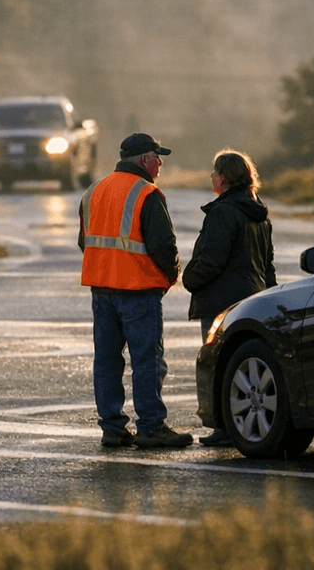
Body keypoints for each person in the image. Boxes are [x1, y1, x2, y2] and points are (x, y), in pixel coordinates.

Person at [78, 132, 193, 449]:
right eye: (158, 158)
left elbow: (84, 242)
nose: (160, 164)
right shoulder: (146, 193)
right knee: (147, 361)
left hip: (101, 292)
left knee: (107, 361)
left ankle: (112, 428)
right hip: (138, 291)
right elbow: (164, 247)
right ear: (144, 159)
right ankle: (151, 426)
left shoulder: (94, 191)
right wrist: (169, 278)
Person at [183, 148, 277, 447]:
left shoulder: (223, 212)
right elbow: (267, 262)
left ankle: (223, 427)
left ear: (222, 178)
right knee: (243, 366)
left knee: (217, 364)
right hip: (252, 299)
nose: (212, 178)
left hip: (221, 302)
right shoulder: (258, 211)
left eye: (214, 173)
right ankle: (238, 424)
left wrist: (189, 280)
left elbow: (212, 259)